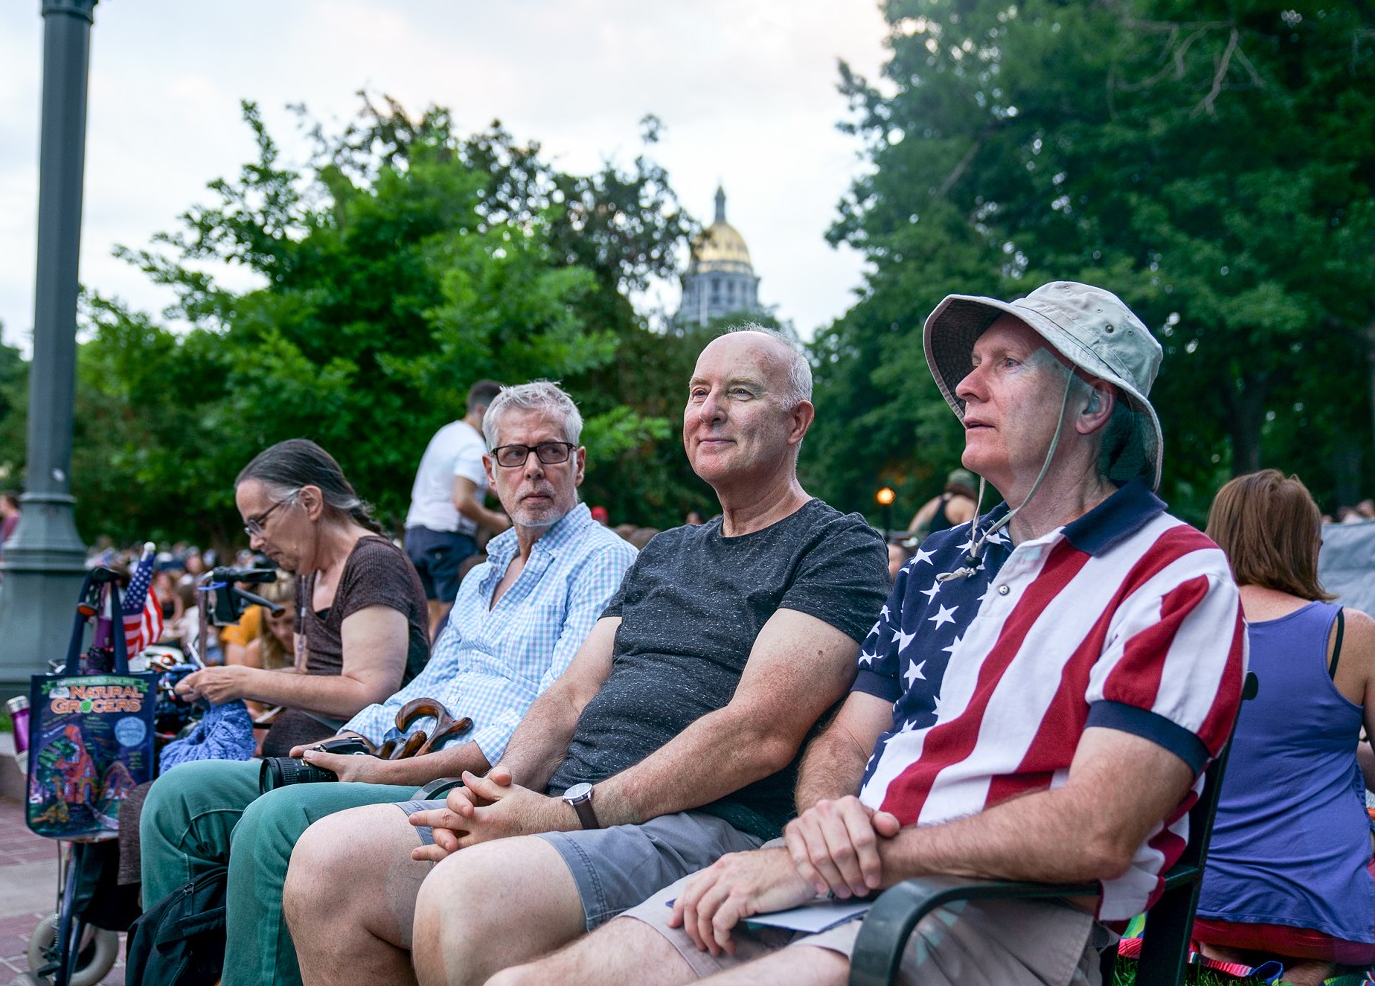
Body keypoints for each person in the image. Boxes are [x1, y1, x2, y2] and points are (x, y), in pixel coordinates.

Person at [494, 281, 1246, 986]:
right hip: (856, 879)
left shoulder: (1172, 574)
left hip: (1008, 908)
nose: (965, 388)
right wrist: (824, 823)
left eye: (1006, 365)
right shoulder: (944, 561)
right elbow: (847, 742)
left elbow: (1099, 831)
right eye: (971, 367)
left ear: (1091, 407)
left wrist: (864, 857)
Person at [279, 326, 887, 986]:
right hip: (574, 804)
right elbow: (571, 694)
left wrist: (572, 813)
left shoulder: (836, 547)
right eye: (697, 392)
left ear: (797, 421)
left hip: (701, 823)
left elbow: (758, 732)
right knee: (326, 864)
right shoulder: (665, 552)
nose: (708, 411)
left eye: (738, 393)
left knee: (470, 899)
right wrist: (496, 794)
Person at [139, 381, 637, 986]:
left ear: (578, 463)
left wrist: (388, 772)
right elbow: (418, 684)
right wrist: (346, 743)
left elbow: (554, 714)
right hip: (399, 750)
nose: (532, 469)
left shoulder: (601, 559)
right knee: (177, 799)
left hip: (463, 780)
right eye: (513, 454)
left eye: (550, 451)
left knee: (274, 822)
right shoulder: (485, 572)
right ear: (489, 470)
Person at [1195, 469, 1375, 985]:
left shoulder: (1186, 628)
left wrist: (1335, 753)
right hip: (1322, 908)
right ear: (1305, 543)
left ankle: (1227, 962)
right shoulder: (1348, 632)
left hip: (1206, 898)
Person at [171, 439, 430, 758]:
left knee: (174, 789)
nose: (254, 542)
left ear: (309, 502)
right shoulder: (308, 571)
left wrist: (243, 680)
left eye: (259, 523)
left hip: (358, 770)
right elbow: (310, 677)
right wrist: (214, 682)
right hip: (297, 762)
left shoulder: (373, 563)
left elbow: (368, 691)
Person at [405, 380, 511, 635]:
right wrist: (499, 523)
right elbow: (462, 500)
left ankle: (428, 671)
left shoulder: (447, 433)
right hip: (446, 539)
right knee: (452, 618)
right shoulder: (472, 446)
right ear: (481, 411)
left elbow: (480, 485)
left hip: (416, 535)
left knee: (431, 619)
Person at [906, 467, 977, 537]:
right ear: (970, 487)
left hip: (931, 547)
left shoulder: (936, 501)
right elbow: (968, 533)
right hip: (951, 547)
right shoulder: (967, 504)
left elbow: (913, 529)